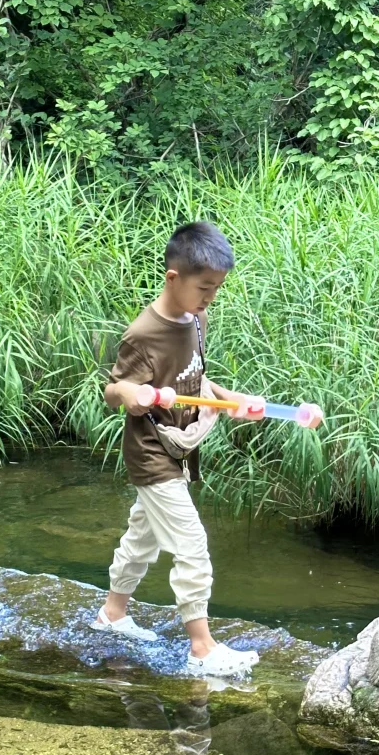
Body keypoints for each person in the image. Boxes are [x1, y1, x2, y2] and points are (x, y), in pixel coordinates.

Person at [96, 220, 260, 678]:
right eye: (204, 288)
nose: (211, 297)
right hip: (151, 452)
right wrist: (133, 394)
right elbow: (113, 391)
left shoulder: (197, 319)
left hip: (179, 449)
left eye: (217, 288)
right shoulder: (143, 333)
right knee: (191, 544)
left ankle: (111, 614)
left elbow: (195, 379)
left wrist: (230, 399)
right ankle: (201, 648)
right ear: (173, 278)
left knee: (142, 537)